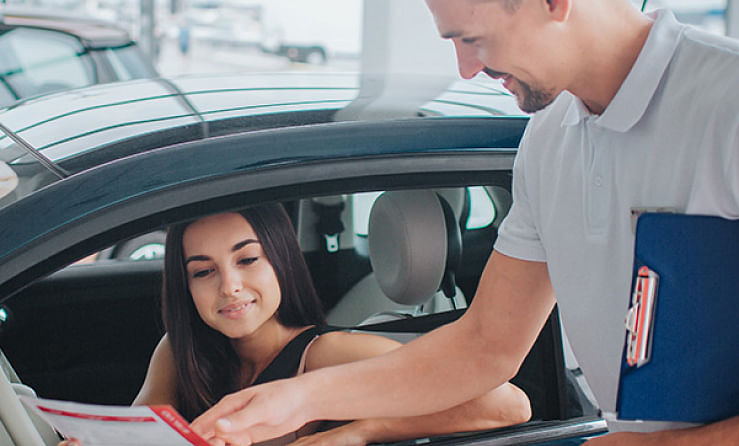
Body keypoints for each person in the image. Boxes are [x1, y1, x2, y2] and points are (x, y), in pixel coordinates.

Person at [189, 0, 739, 445]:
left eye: (471, 40)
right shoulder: (548, 142)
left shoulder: (726, 105)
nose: (466, 69)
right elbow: (483, 347)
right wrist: (297, 399)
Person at [59, 204, 531, 446]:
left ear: (281, 261)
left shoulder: (325, 354)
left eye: (248, 259)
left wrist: (358, 431)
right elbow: (142, 433)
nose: (229, 286)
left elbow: (506, 404)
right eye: (203, 271)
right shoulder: (179, 350)